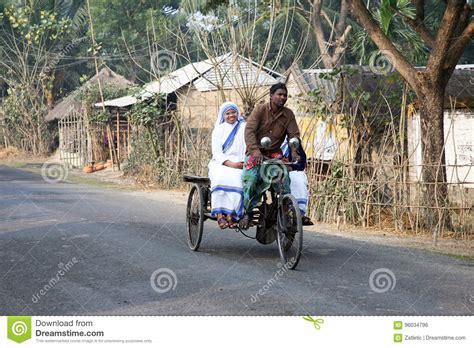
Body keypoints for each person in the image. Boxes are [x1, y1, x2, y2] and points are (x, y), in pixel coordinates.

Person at [241, 82, 300, 229]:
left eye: (285, 95)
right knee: (251, 179)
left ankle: (285, 210)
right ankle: (247, 212)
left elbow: (294, 135)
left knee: (283, 179)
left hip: (274, 156)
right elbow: (249, 131)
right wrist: (255, 151)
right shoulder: (260, 110)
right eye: (279, 94)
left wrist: (294, 151)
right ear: (271, 95)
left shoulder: (289, 114)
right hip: (256, 154)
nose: (282, 97)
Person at [208, 102, 246, 229]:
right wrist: (231, 164)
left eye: (233, 112)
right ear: (223, 115)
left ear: (237, 113)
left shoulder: (244, 127)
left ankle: (231, 215)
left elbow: (248, 146)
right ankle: (220, 214)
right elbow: (217, 152)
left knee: (238, 179)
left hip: (240, 162)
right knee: (220, 177)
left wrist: (241, 163)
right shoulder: (218, 129)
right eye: (228, 113)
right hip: (221, 162)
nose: (231, 115)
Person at [281, 138, 314, 226]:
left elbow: (301, 164)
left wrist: (291, 167)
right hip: (269, 171)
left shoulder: (292, 140)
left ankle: (299, 214)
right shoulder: (266, 135)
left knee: (299, 178)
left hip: (289, 171)